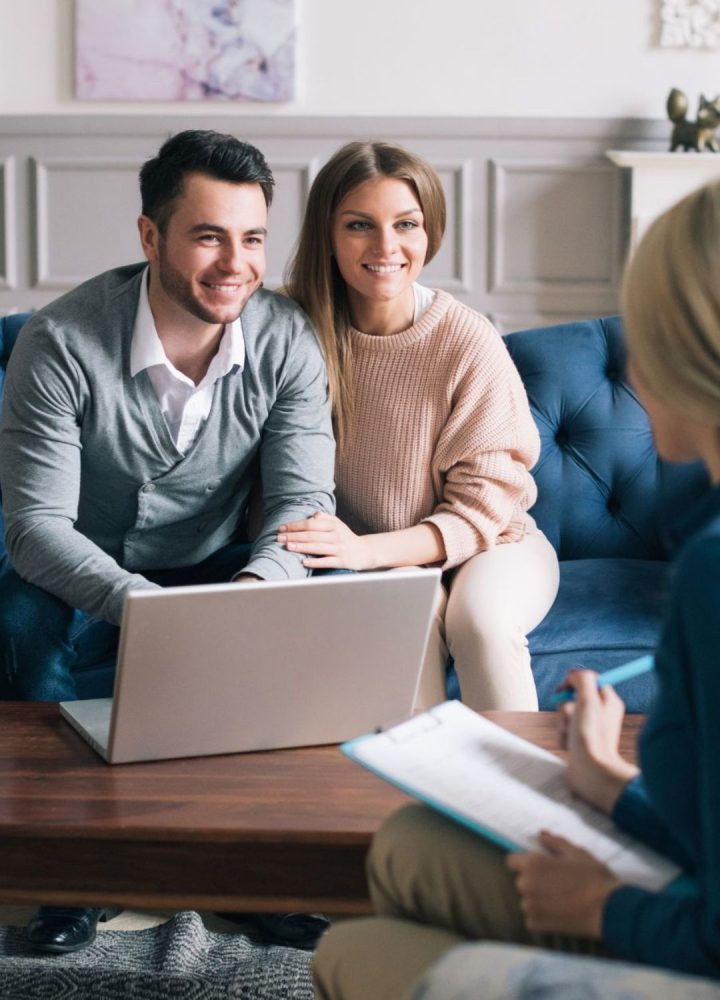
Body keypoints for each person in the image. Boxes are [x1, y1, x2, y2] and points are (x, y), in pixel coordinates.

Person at [312, 179, 720, 998]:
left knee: (347, 956)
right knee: (407, 844)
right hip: (686, 889)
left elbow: (487, 503)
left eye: (645, 335)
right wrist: (612, 788)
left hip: (689, 947)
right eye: (359, 224)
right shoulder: (307, 334)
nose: (630, 368)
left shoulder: (709, 573)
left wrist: (604, 910)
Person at [0, 130, 335, 951]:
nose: (236, 264)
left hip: (221, 568)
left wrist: (252, 598)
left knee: (286, 645)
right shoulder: (59, 341)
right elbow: (35, 527)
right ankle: (71, 880)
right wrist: (142, 608)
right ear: (150, 236)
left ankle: (251, 875)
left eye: (252, 238)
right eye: (208, 235)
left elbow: (303, 504)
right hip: (77, 566)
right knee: (28, 641)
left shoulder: (288, 339)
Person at [283, 141, 559, 712]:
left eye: (406, 224)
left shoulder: (464, 338)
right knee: (405, 617)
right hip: (376, 556)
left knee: (480, 623)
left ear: (430, 232)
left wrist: (364, 551)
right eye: (360, 225)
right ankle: (426, 789)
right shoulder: (292, 330)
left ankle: (521, 799)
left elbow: (483, 512)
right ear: (327, 235)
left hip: (494, 542)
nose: (386, 247)